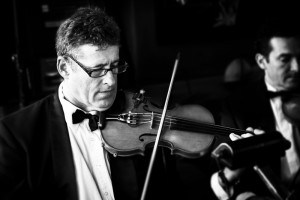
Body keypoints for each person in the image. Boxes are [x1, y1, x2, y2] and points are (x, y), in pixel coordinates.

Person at [0, 6, 217, 200]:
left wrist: (221, 182)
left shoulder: (142, 115)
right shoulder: (17, 136)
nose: (111, 81)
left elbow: (182, 185)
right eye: (97, 70)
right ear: (64, 68)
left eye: (115, 66)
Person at [210, 15, 300, 200]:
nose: (297, 67)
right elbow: (220, 185)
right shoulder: (235, 106)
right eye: (285, 59)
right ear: (261, 61)